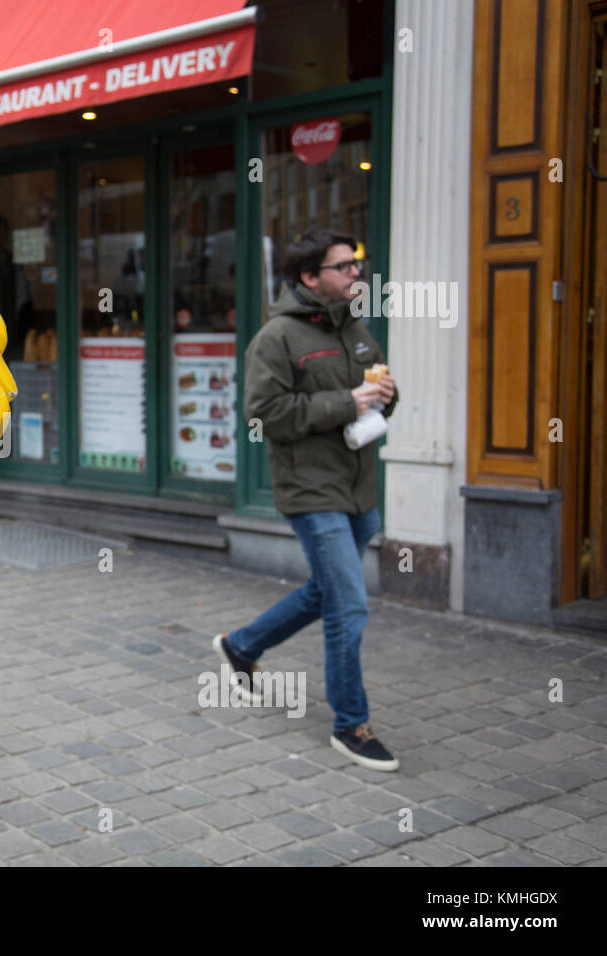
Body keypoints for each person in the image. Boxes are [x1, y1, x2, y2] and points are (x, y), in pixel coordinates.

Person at [214, 229, 400, 771]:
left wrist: (386, 395)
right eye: (343, 267)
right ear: (310, 277)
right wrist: (347, 402)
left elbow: (376, 394)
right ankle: (351, 724)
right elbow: (265, 413)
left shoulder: (358, 329)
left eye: (356, 265)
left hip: (358, 485)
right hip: (310, 489)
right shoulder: (276, 337)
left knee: (327, 590)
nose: (355, 275)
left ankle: (241, 647)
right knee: (349, 602)